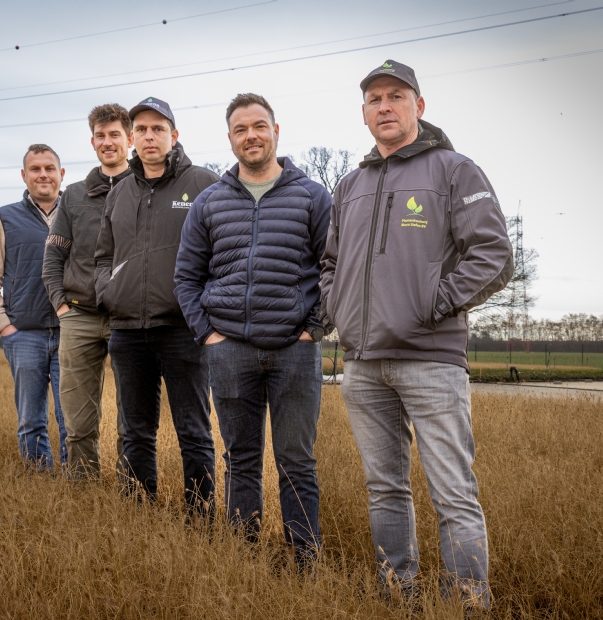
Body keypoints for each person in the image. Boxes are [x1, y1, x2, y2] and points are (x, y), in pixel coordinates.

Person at [320, 60, 513, 608]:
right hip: (361, 363)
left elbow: (494, 255)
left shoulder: (454, 170)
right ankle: (397, 592)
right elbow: (330, 262)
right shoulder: (350, 184)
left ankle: (468, 600)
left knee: (453, 492)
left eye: (396, 96)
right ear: (363, 113)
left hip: (431, 358)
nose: (385, 106)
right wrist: (336, 306)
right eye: (374, 99)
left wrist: (435, 303)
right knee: (385, 488)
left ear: (418, 107)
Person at [174, 93, 331, 565]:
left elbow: (333, 270)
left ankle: (305, 559)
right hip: (230, 351)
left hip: (294, 351)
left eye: (259, 126)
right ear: (230, 139)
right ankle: (245, 559)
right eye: (241, 129)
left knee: (296, 462)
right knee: (240, 460)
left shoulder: (311, 196)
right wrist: (210, 336)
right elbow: (186, 276)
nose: (251, 136)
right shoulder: (209, 202)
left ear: (276, 131)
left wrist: (313, 330)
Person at [94, 97, 219, 515]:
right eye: (142, 130)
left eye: (158, 129)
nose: (150, 136)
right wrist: (107, 293)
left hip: (183, 329)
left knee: (194, 430)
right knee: (135, 431)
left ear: (174, 135)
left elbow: (226, 249)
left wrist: (206, 309)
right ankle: (138, 513)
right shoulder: (120, 193)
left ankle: (200, 519)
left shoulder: (203, 184)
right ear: (132, 138)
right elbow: (102, 256)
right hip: (127, 329)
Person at [42, 104, 131, 480]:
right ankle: (83, 488)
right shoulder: (74, 196)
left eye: (115, 135)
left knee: (133, 419)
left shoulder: (144, 190)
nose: (107, 142)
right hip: (78, 317)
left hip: (130, 320)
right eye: (100, 135)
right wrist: (61, 306)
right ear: (92, 140)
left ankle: (133, 492)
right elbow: (53, 256)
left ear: (129, 138)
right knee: (78, 417)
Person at [0, 144, 69, 470]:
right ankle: (38, 482)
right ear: (24, 175)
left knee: (72, 418)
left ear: (62, 174)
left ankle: (77, 487)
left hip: (71, 334)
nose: (43, 174)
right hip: (24, 334)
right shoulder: (5, 218)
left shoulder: (79, 215)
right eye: (35, 169)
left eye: (49, 168)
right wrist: (4, 326)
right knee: (31, 418)